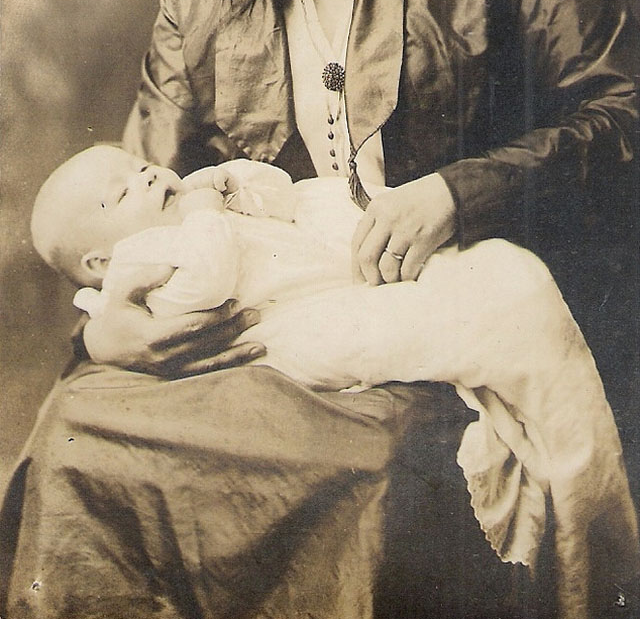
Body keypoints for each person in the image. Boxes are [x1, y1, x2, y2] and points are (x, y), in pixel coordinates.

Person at [2, 0, 638, 619]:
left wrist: (462, 193)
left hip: (436, 320)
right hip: (265, 323)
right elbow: (136, 183)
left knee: (374, 466)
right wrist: (105, 330)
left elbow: (622, 115)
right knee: (73, 430)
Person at [27, 143, 640, 615]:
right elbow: (208, 278)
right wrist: (197, 216)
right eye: (122, 193)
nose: (149, 177)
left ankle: (587, 527)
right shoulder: (146, 259)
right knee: (493, 306)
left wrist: (234, 181)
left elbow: (279, 193)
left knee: (502, 280)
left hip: (345, 273)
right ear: (99, 263)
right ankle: (590, 552)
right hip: (293, 333)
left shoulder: (180, 210)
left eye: (140, 166)